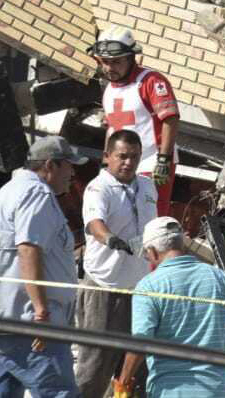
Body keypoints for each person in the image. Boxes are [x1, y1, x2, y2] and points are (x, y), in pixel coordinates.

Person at [0, 136, 88, 398]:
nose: (73, 172)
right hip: (29, 322)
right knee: (60, 392)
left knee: (1, 393)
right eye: (69, 165)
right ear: (50, 165)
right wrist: (41, 312)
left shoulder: (6, 194)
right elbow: (28, 249)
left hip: (1, 319)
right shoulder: (37, 194)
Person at [118, 217, 225, 398]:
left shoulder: (148, 286)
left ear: (153, 252)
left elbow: (142, 341)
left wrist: (123, 381)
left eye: (147, 254)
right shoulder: (218, 277)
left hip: (171, 390)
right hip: (217, 389)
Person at [75, 129, 158, 398]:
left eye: (134, 157)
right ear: (107, 157)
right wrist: (111, 240)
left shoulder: (147, 186)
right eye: (122, 156)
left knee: (136, 365)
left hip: (139, 287)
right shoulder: (98, 188)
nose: (128, 163)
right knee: (96, 364)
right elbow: (94, 223)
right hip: (105, 285)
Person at [89, 27, 181, 217]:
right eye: (104, 62)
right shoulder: (109, 90)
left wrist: (164, 159)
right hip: (119, 165)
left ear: (131, 58)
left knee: (150, 217)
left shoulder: (151, 81)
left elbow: (170, 119)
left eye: (116, 62)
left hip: (151, 164)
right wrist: (106, 162)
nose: (109, 68)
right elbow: (112, 130)